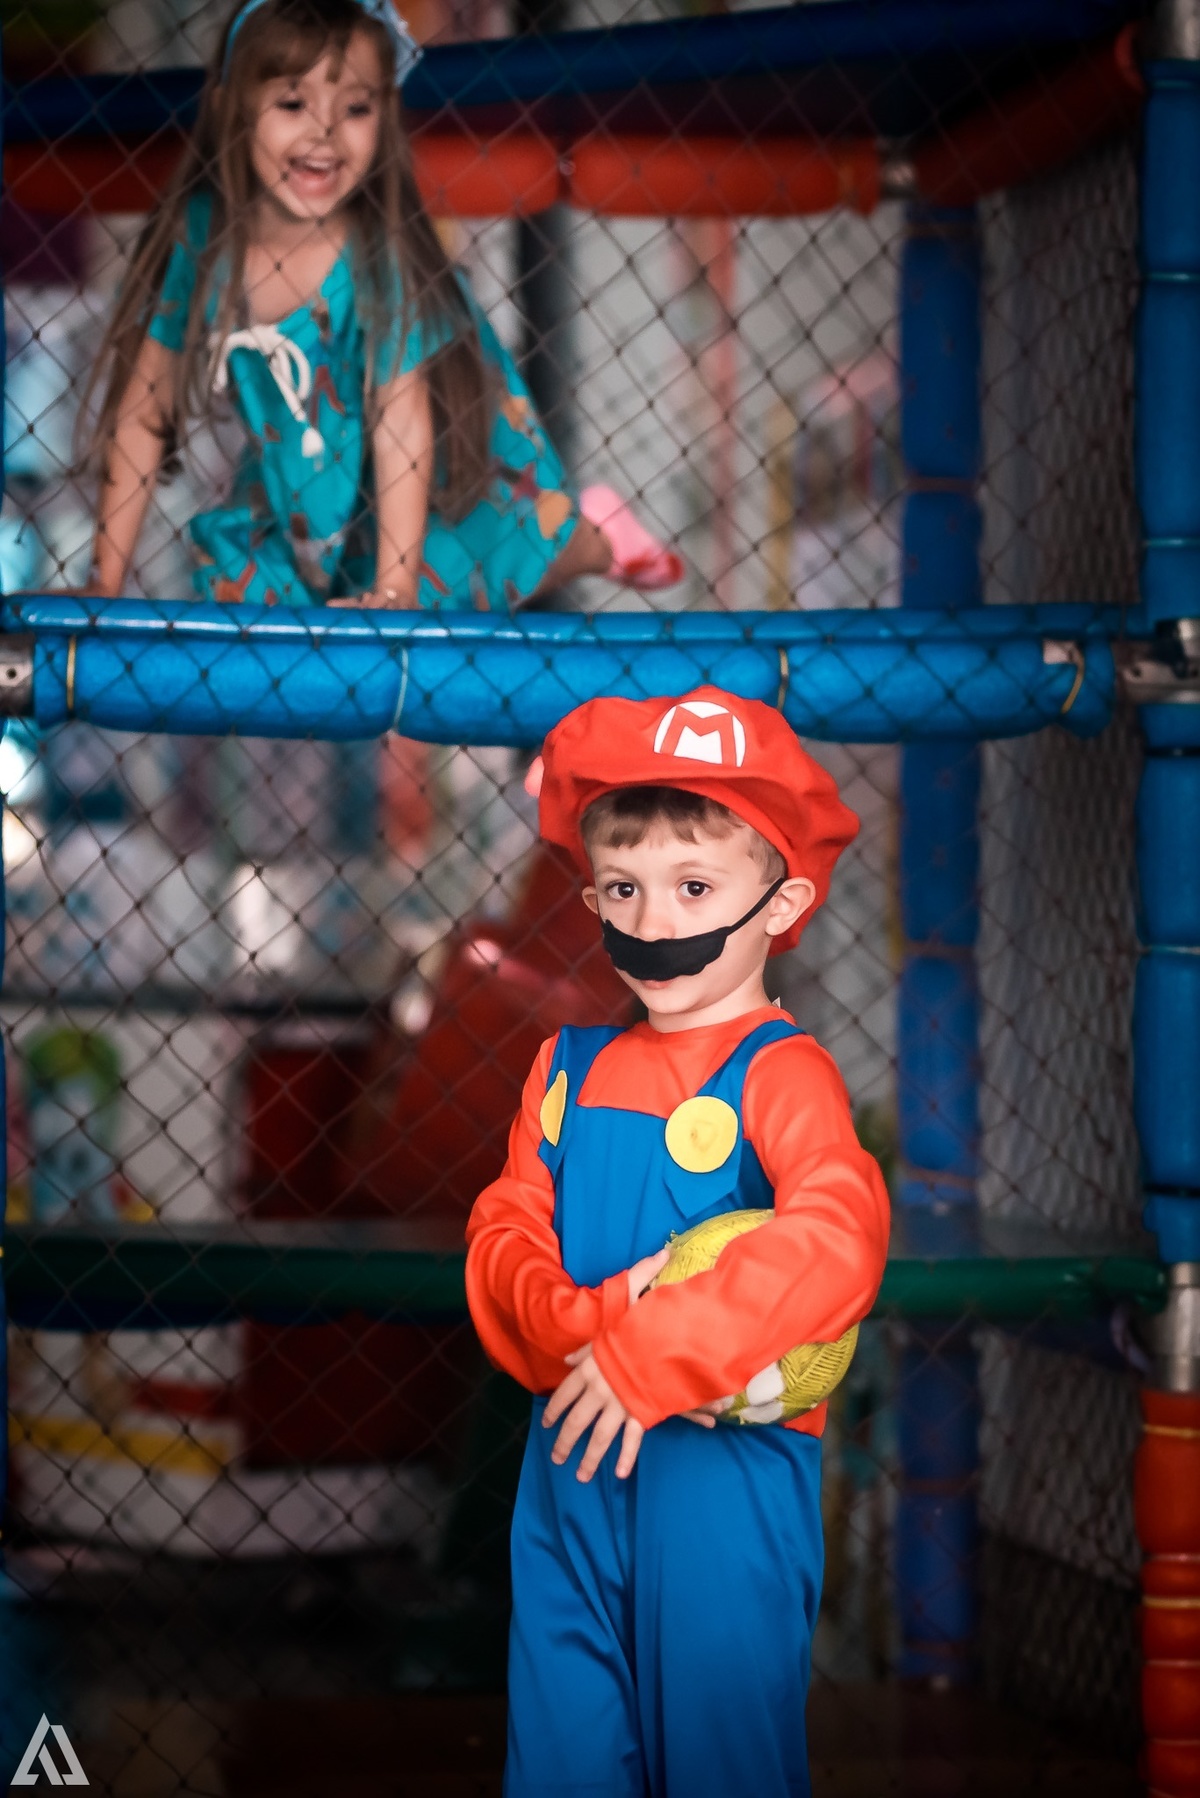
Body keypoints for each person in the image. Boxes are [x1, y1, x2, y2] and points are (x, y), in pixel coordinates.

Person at [465, 686, 892, 1798]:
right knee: (559, 1757)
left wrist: (652, 1353)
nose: (654, 922)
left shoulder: (784, 1074)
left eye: (695, 887)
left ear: (781, 901)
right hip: (571, 1469)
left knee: (720, 1763)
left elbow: (839, 1232)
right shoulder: (565, 1069)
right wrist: (595, 1328)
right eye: (624, 887)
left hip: (724, 1488)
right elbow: (502, 1237)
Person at [79, 0, 682, 610]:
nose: (325, 131)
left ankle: (597, 538)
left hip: (428, 455)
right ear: (229, 109)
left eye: (355, 108)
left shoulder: (375, 253)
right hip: (309, 469)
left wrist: (394, 587)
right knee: (245, 585)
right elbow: (144, 409)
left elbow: (402, 424)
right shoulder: (202, 239)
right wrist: (104, 579)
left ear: (384, 116)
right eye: (293, 104)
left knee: (486, 565)